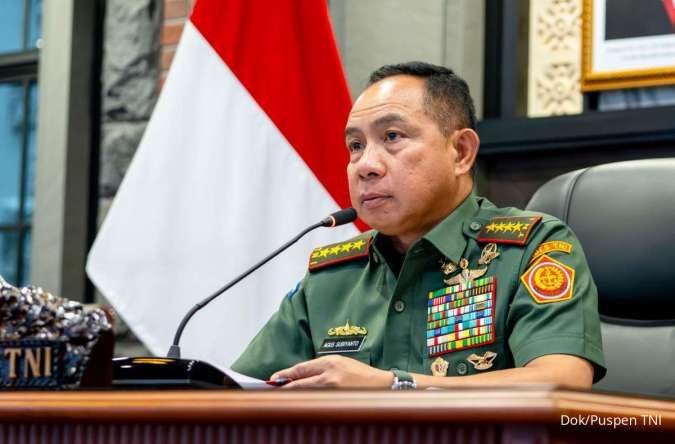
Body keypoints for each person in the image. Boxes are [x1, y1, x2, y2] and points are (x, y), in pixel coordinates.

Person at [231, 62, 606, 389]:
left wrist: (394, 386)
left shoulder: (530, 249)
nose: (366, 165)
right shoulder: (333, 277)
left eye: (392, 137)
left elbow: (562, 381)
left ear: (461, 152)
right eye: (355, 146)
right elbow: (239, 391)